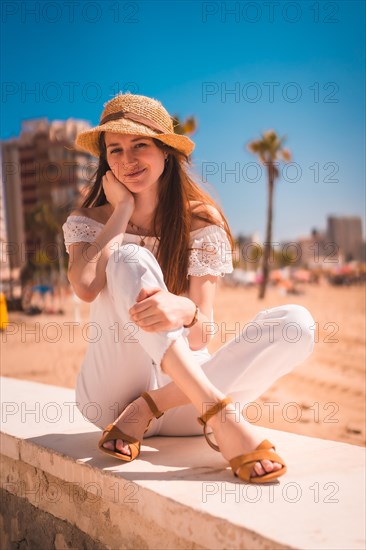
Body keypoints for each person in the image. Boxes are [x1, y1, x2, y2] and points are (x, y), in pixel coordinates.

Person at [62, 92, 315, 483]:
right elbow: (85, 286)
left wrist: (187, 311)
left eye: (140, 145)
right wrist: (122, 213)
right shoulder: (92, 219)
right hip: (110, 401)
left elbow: (201, 336)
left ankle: (149, 408)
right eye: (115, 150)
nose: (127, 160)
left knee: (298, 324)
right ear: (105, 161)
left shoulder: (199, 220)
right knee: (129, 258)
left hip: (182, 404)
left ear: (166, 152)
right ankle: (221, 414)